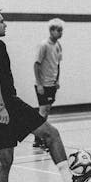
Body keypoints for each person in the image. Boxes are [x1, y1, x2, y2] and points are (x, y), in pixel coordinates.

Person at [0, 9, 91, 182]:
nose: (6, 24)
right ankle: (70, 181)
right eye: (2, 21)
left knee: (5, 161)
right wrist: (2, 106)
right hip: (7, 104)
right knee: (51, 133)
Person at [33, 18, 64, 150]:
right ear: (51, 31)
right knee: (43, 110)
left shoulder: (58, 45)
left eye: (61, 30)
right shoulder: (44, 45)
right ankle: (38, 138)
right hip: (43, 84)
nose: (60, 33)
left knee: (47, 110)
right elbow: (36, 64)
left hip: (52, 83)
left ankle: (40, 135)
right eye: (58, 30)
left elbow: (57, 64)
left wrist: (57, 80)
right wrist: (39, 84)